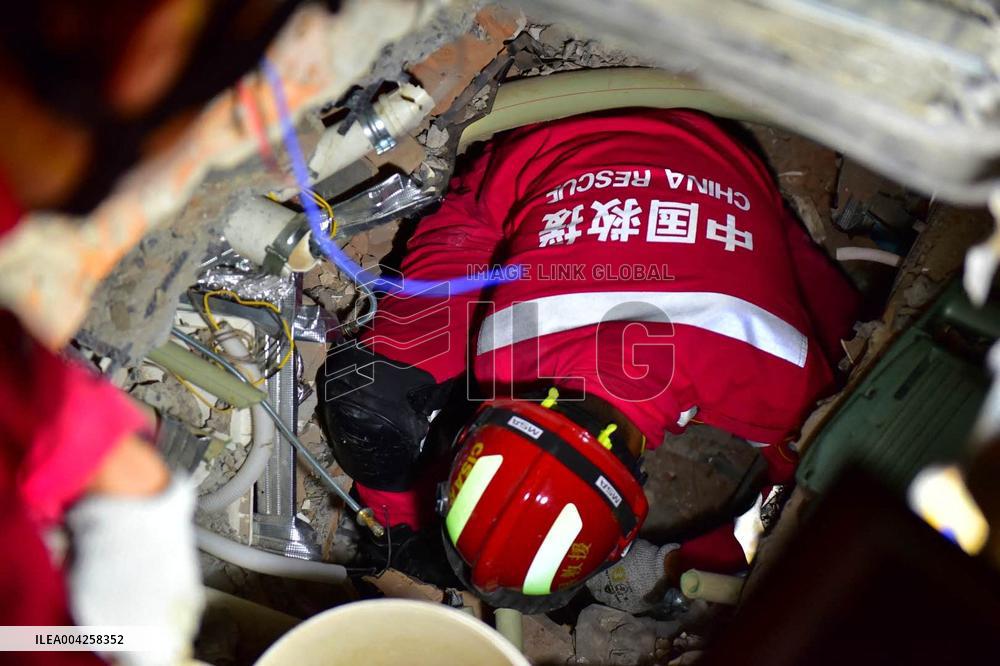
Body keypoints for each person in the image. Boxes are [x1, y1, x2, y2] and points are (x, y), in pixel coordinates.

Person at [317, 108, 860, 611]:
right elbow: (793, 502)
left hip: (730, 170)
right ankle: (393, 521)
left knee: (845, 341)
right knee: (372, 404)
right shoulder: (502, 356)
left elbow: (795, 504)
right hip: (555, 150)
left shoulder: (785, 381)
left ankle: (393, 525)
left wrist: (681, 563)